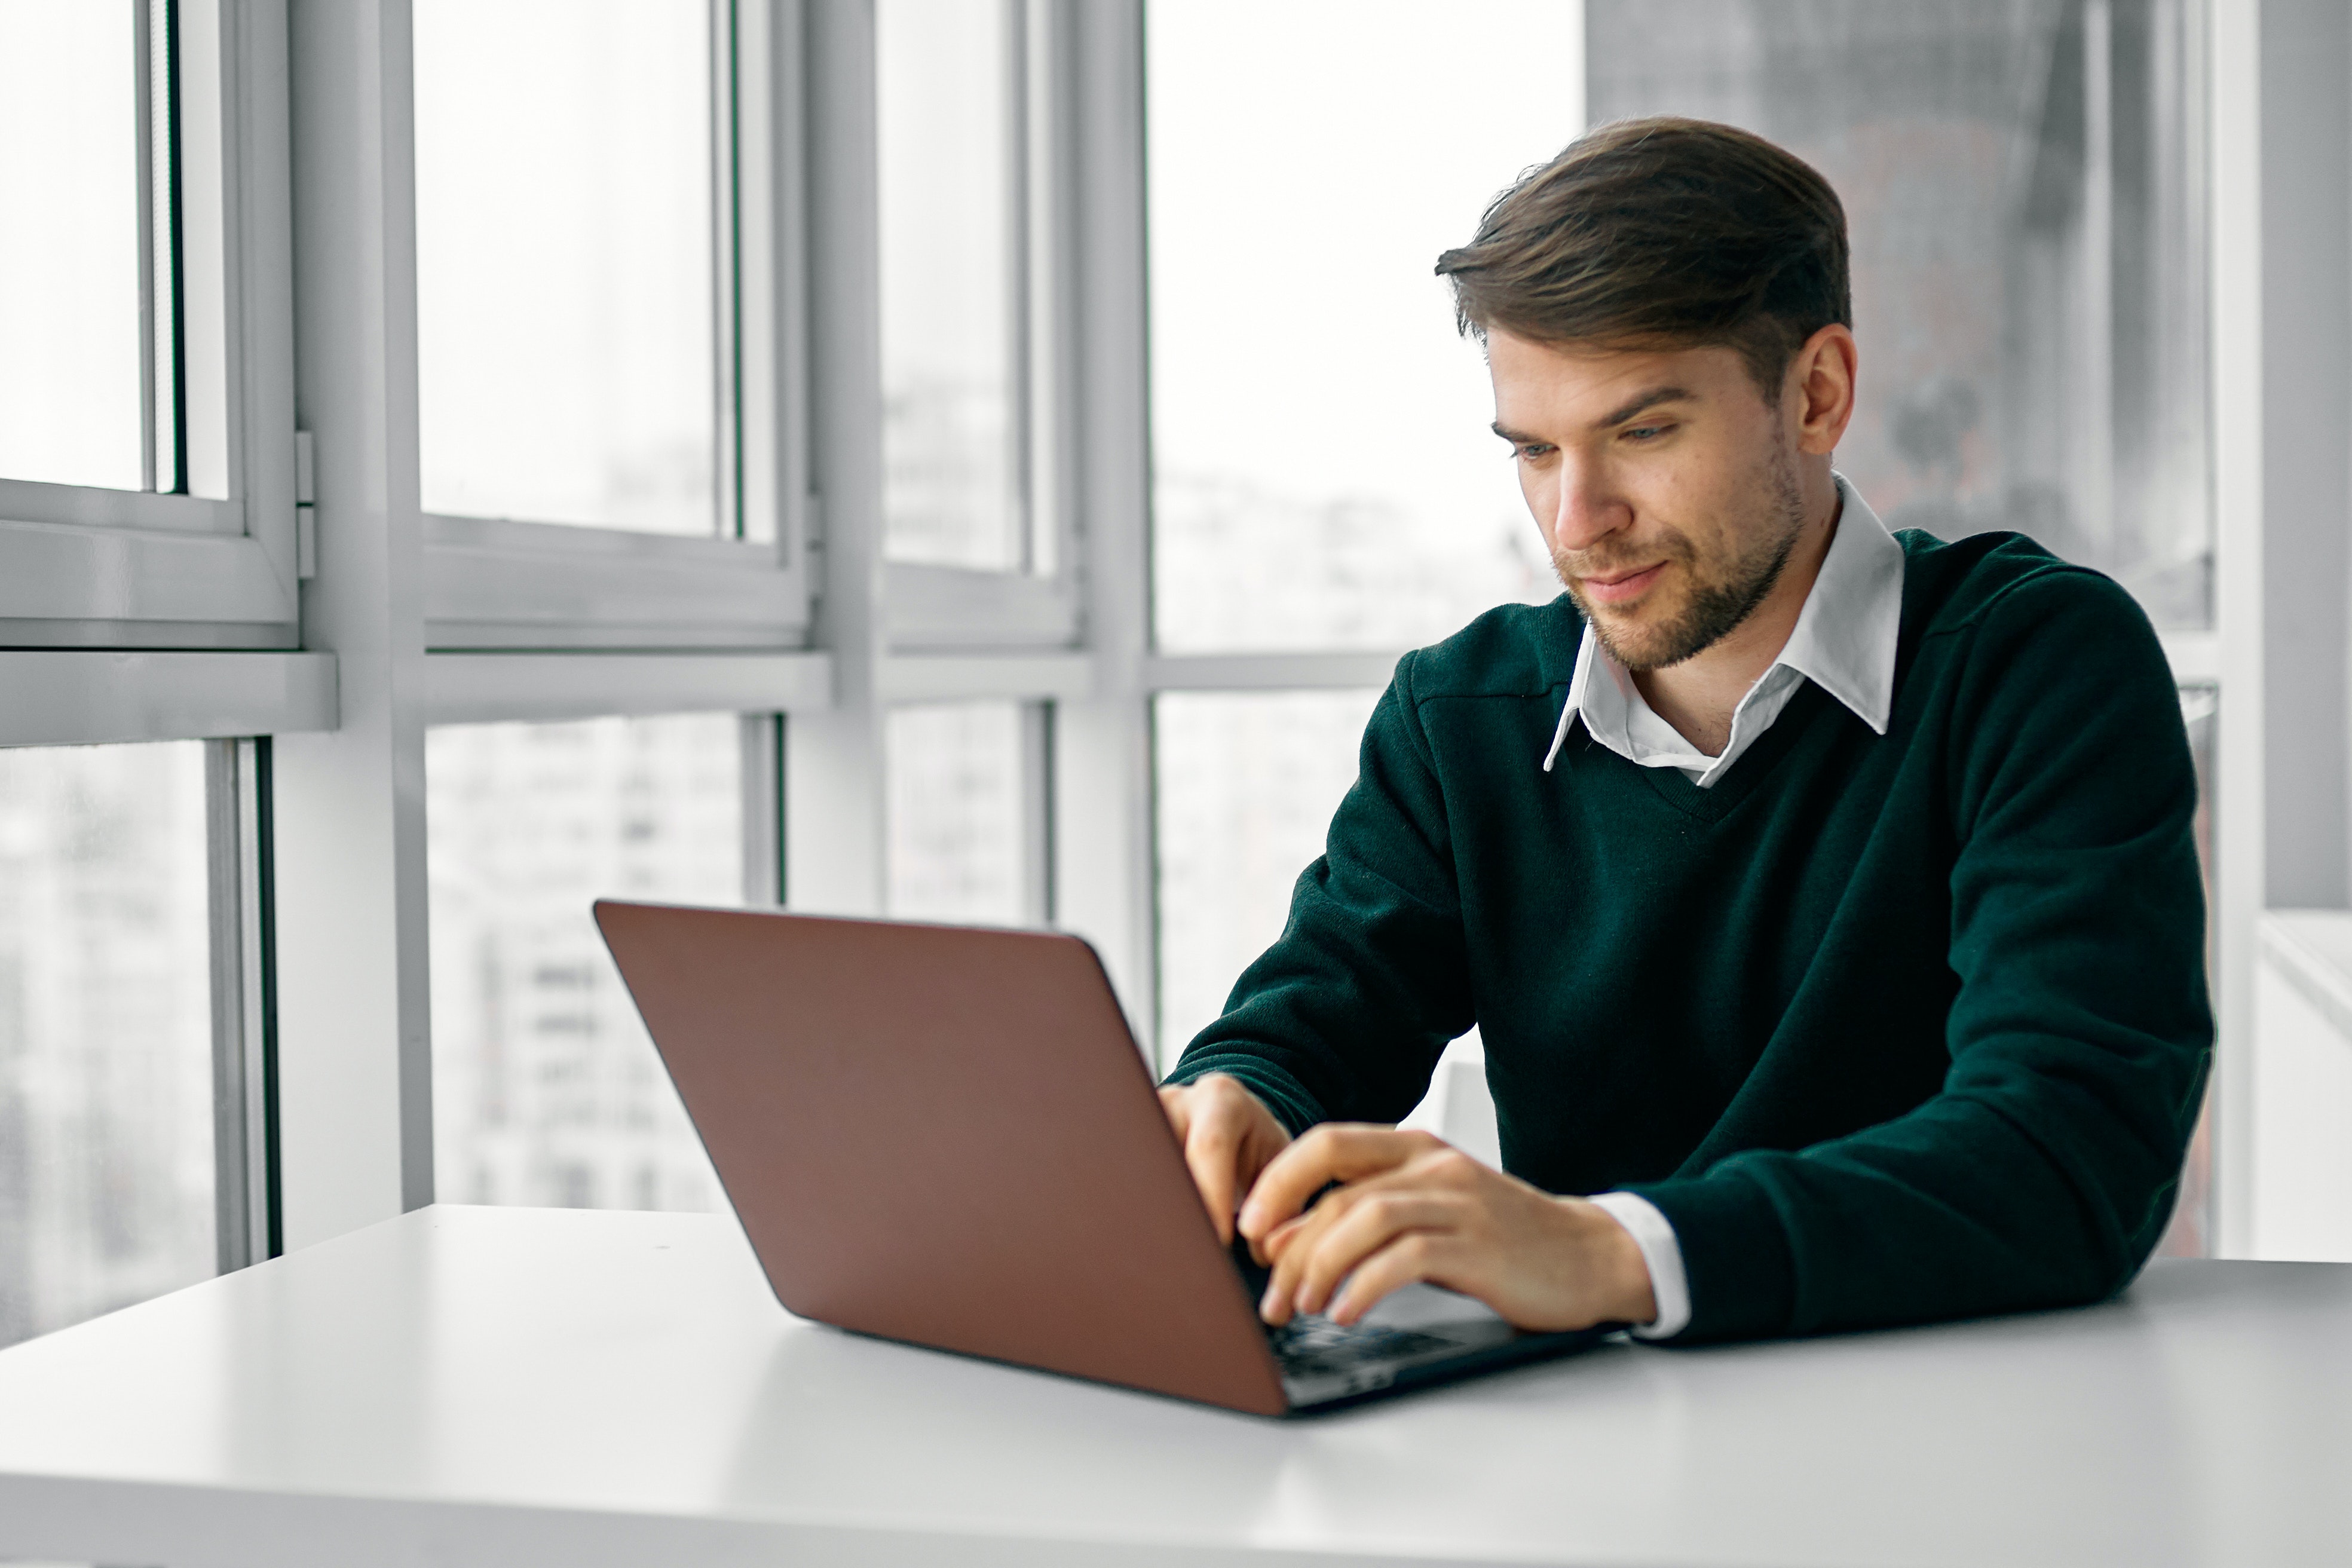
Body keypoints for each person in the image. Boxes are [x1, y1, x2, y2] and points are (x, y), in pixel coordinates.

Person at [1156, 117, 2212, 1346]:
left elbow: (2069, 1153)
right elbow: (1302, 1038)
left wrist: (1612, 1250)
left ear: (1815, 394)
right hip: (1592, 1455)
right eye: (1535, 451)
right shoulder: (1461, 721)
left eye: (1643, 432)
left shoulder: (2038, 670)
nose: (1578, 517)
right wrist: (1232, 1111)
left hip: (1956, 1438)